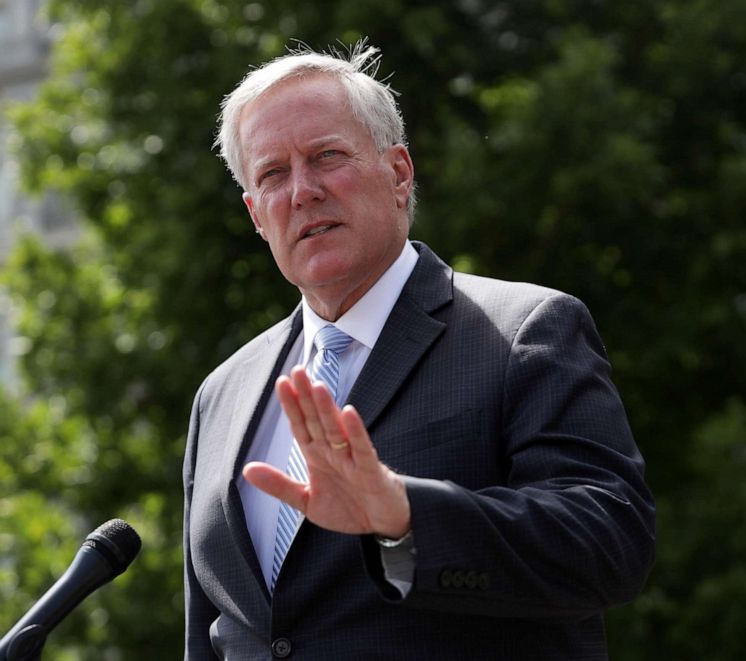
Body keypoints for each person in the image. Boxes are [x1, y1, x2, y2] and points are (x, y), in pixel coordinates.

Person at [183, 43, 655, 660]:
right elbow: (211, 634)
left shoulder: (522, 331)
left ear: (399, 172)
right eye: (273, 174)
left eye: (326, 156)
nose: (302, 191)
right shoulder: (221, 394)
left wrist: (405, 515)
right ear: (256, 215)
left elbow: (610, 544)